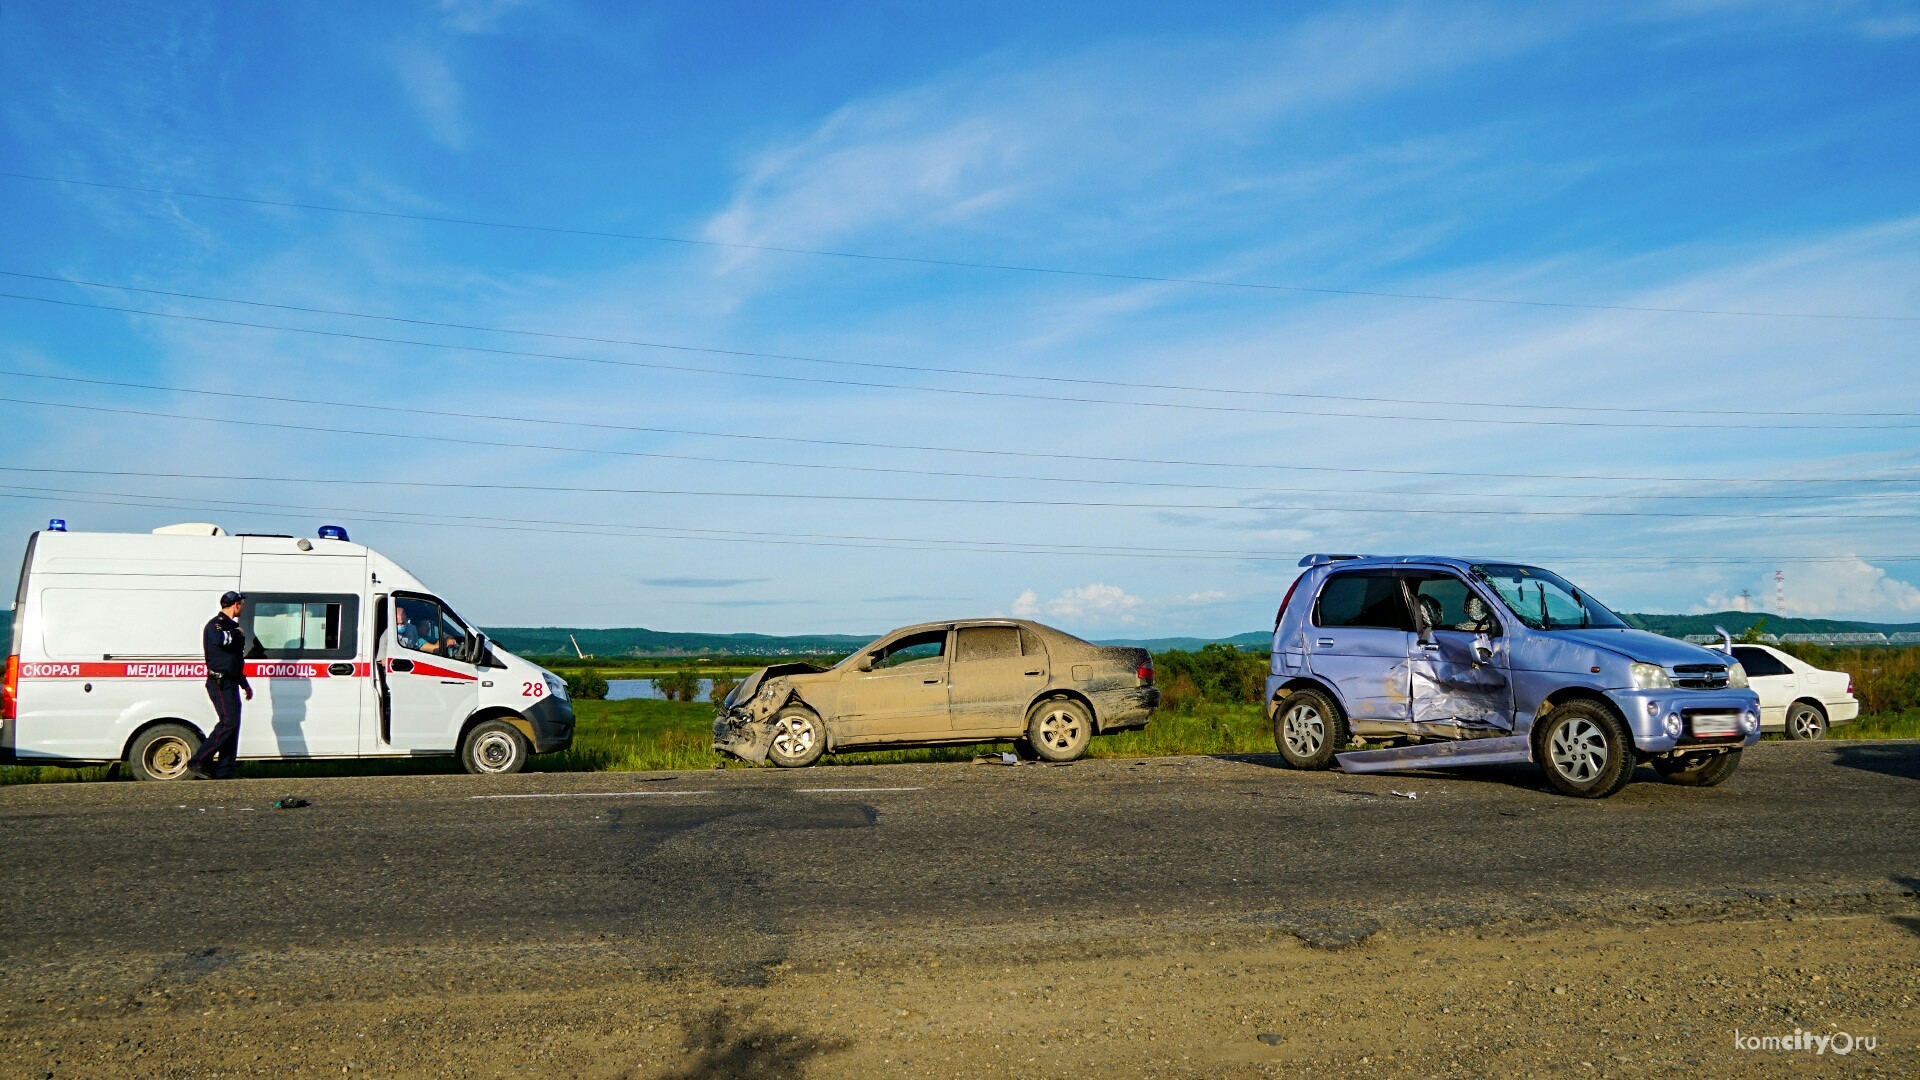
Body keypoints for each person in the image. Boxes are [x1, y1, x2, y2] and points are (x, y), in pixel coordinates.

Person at [189, 590, 252, 780]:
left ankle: (225, 770)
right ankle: (198, 760)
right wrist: (236, 633)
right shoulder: (215, 625)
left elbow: (235, 660)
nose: (243, 607)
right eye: (241, 604)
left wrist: (244, 684)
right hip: (219, 682)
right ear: (236, 605)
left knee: (233, 725)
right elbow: (219, 641)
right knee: (228, 722)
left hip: (231, 681)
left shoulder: (231, 626)